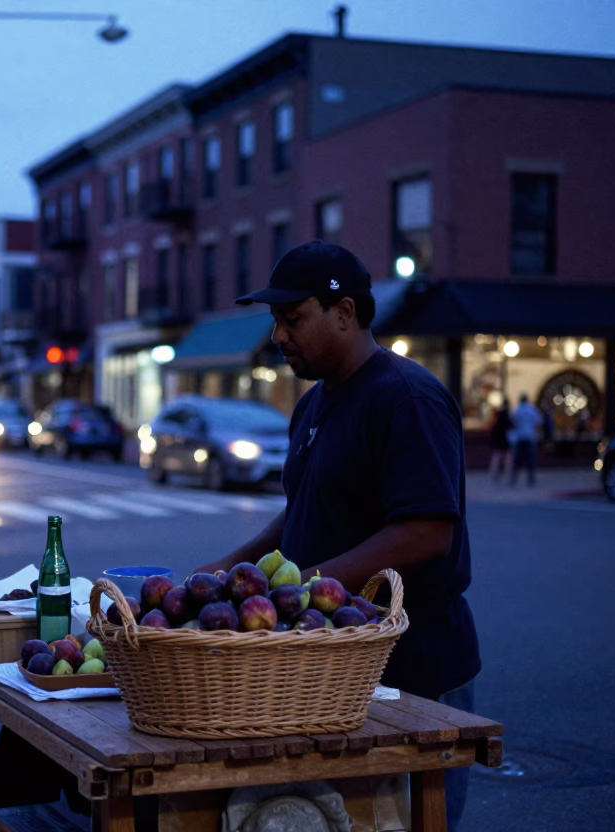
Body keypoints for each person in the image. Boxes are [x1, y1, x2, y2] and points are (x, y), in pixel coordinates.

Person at [195, 241, 480, 831]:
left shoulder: (406, 397)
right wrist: (226, 572)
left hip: (412, 671)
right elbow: (302, 514)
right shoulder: (315, 404)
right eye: (275, 322)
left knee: (403, 823)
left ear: (344, 312)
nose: (278, 335)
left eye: (292, 319)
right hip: (332, 671)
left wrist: (304, 586)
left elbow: (427, 531)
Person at [509, 393, 543, 486]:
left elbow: (513, 422)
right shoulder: (531, 409)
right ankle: (530, 479)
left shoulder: (517, 410)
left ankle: (513, 479)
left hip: (520, 437)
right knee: (530, 459)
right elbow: (539, 421)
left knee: (517, 460)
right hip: (530, 437)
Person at [487, 401, 514, 483]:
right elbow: (512, 426)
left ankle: (494, 475)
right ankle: (508, 476)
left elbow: (491, 430)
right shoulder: (506, 417)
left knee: (496, 459)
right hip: (505, 441)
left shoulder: (496, 419)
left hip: (497, 442)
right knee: (506, 460)